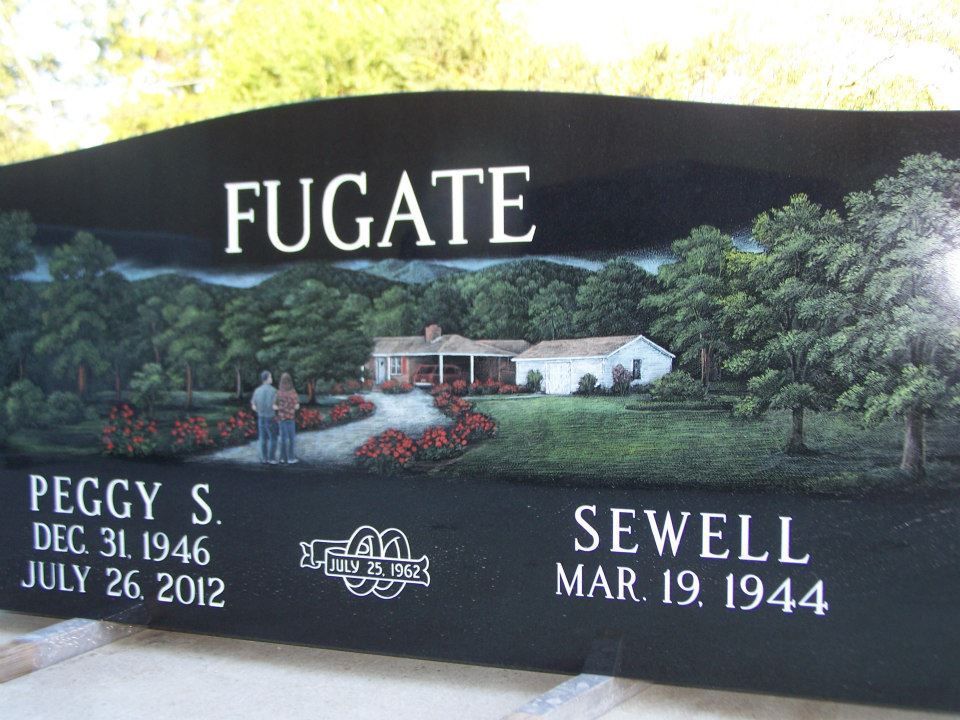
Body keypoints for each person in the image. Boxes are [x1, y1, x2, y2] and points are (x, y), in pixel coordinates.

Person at [251, 370, 278, 464]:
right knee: (273, 438)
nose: (272, 379)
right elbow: (275, 405)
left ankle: (264, 458)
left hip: (261, 416)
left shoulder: (257, 390)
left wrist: (258, 410)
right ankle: (271, 458)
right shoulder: (274, 391)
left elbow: (253, 406)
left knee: (262, 438)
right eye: (270, 377)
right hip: (270, 416)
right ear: (266, 379)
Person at [273, 372, 300, 464]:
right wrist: (291, 408)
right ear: (290, 381)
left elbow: (274, 407)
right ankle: (291, 458)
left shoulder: (278, 393)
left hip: (282, 419)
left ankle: (282, 458)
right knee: (292, 439)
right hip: (291, 418)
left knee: (283, 439)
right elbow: (297, 406)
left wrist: (281, 408)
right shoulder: (293, 392)